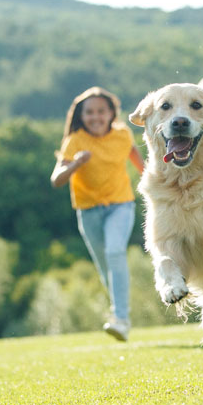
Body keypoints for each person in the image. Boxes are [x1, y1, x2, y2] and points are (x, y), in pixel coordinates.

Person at [50, 86, 144, 340]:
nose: (96, 117)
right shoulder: (76, 140)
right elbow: (56, 180)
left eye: (101, 111)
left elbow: (140, 164)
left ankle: (121, 319)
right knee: (106, 269)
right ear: (81, 115)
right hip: (88, 211)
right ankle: (119, 313)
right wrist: (77, 163)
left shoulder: (123, 134)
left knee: (115, 253)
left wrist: (157, 187)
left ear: (111, 113)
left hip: (121, 205)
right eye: (89, 112)